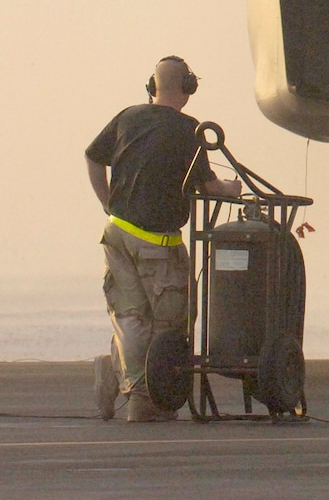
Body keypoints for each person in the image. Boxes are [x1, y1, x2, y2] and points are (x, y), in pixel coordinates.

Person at [84, 56, 240, 422]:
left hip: (117, 232)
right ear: (187, 87)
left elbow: (93, 158)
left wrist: (109, 205)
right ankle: (143, 400)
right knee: (171, 321)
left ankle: (117, 373)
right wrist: (230, 189)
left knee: (130, 316)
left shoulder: (127, 117)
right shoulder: (190, 131)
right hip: (158, 242)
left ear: (152, 87)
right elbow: (209, 186)